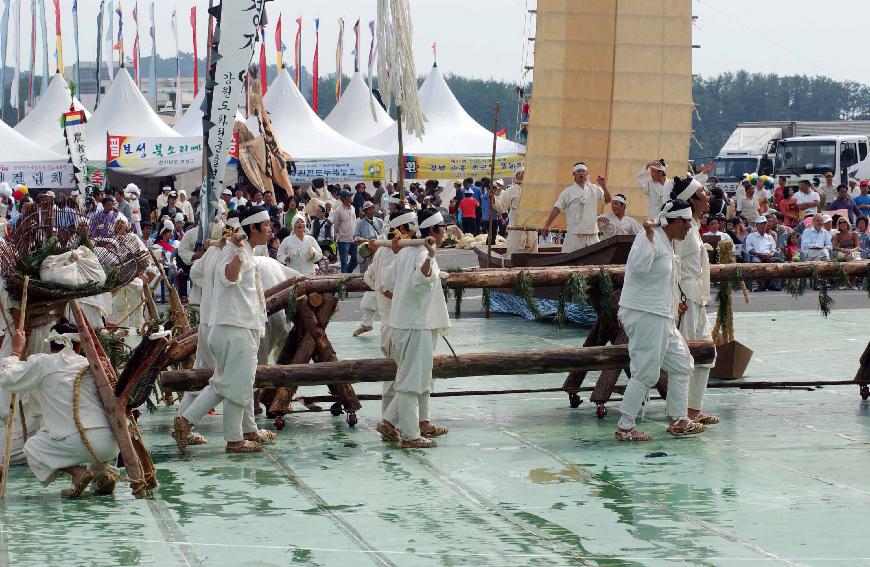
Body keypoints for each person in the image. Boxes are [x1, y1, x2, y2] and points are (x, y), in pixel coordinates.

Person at [174, 206, 272, 454]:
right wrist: (237, 252)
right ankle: (230, 439)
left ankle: (191, 423)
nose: (270, 230)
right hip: (234, 327)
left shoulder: (232, 248)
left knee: (226, 383)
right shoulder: (235, 250)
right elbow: (229, 277)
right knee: (235, 385)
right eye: (267, 226)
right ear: (253, 228)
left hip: (227, 325)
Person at [614, 198, 705, 442]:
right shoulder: (648, 237)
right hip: (645, 314)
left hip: (662, 315)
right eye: (687, 223)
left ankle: (678, 420)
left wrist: (676, 302)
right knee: (646, 372)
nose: (689, 227)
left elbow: (663, 277)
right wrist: (649, 237)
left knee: (682, 363)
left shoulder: (667, 240)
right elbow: (639, 268)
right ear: (676, 221)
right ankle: (625, 427)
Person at [0, 323, 120, 498]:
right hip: (110, 445)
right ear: (79, 346)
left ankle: (77, 473)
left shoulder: (43, 362)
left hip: (74, 443)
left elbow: (8, 378)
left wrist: (16, 351)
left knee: (32, 448)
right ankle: (102, 474)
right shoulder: (91, 365)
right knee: (96, 440)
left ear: (50, 345)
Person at [379, 209, 451, 448]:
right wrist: (430, 258)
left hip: (405, 323)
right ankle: (410, 435)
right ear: (432, 231)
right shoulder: (419, 253)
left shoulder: (404, 253)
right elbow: (420, 281)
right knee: (411, 381)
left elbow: (388, 283)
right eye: (442, 228)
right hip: (414, 325)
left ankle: (389, 421)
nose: (446, 232)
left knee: (416, 377)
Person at [670, 177, 719, 426]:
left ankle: (693, 408)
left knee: (707, 353)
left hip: (697, 296)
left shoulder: (694, 225)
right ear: (691, 199)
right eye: (702, 191)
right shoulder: (682, 227)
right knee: (685, 355)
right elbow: (673, 264)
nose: (707, 195)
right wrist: (676, 297)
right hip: (685, 296)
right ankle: (679, 414)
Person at [542, 162, 612, 252]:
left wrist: (603, 185)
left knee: (596, 261)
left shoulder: (594, 189)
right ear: (574, 174)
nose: (581, 173)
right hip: (574, 234)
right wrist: (546, 225)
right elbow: (557, 208)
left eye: (583, 171)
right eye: (579, 171)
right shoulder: (568, 192)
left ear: (587, 174)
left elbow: (608, 200)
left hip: (592, 234)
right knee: (568, 261)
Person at [494, 168, 537, 254]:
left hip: (531, 222)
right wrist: (493, 200)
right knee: (515, 245)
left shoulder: (533, 189)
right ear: (516, 175)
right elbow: (502, 207)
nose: (521, 174)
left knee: (531, 245)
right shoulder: (511, 190)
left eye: (523, 173)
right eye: (519, 173)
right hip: (516, 222)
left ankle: (532, 265)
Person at [744, 216, 780, 291]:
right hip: (756, 256)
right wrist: (759, 255)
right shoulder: (751, 236)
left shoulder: (769, 237)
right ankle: (761, 285)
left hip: (768, 256)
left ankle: (772, 284)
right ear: (757, 225)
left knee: (779, 262)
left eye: (765, 224)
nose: (763, 226)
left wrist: (769, 255)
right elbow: (749, 250)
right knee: (756, 262)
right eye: (761, 224)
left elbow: (773, 250)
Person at [331, 189, 358, 273]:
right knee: (344, 263)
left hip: (353, 239)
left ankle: (347, 275)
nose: (351, 198)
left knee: (355, 261)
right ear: (344, 198)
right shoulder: (338, 211)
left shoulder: (353, 208)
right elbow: (336, 226)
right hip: (343, 241)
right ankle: (343, 281)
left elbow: (354, 222)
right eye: (349, 196)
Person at [832, 218, 861, 288]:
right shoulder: (837, 235)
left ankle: (853, 283)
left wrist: (851, 250)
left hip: (852, 252)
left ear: (847, 223)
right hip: (842, 252)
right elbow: (833, 246)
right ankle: (844, 282)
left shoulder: (854, 234)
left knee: (852, 259)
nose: (842, 224)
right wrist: (842, 249)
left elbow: (858, 246)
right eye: (840, 223)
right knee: (841, 258)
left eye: (844, 222)